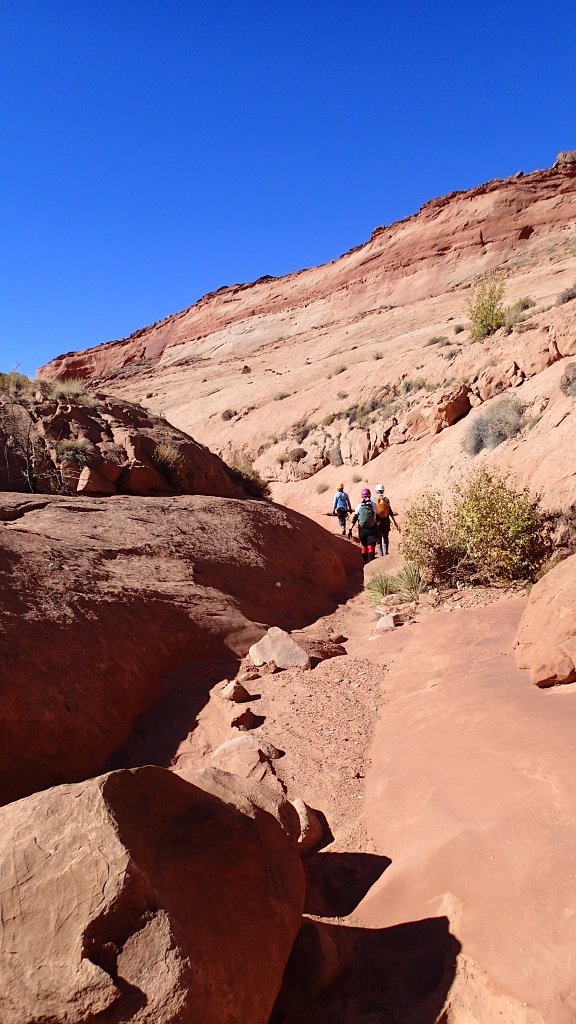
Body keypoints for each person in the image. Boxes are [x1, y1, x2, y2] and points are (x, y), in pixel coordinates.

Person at [350, 488, 378, 563]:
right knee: (371, 547)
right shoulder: (373, 504)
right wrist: (377, 524)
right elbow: (378, 516)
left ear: (362, 496)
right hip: (371, 530)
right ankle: (370, 565)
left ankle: (365, 563)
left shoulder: (359, 506)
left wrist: (350, 529)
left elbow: (354, 519)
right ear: (370, 495)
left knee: (364, 547)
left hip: (362, 531)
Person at [373, 483, 400, 556]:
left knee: (378, 538)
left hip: (377, 522)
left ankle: (381, 554)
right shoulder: (386, 500)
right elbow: (390, 512)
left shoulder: (373, 499)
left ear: (376, 491)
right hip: (386, 521)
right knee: (385, 537)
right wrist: (395, 522)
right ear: (383, 491)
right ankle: (386, 552)